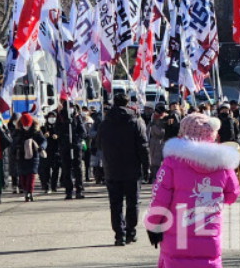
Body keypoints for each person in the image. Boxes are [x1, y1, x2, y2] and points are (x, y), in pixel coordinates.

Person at [144, 113, 240, 267]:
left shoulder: (172, 161)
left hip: (177, 235)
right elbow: (232, 195)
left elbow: (159, 199)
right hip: (208, 232)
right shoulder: (223, 163)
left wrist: (153, 224)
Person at [99, 93, 150, 246]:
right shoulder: (135, 121)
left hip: (112, 168)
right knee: (133, 202)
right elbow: (143, 146)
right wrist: (146, 166)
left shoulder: (105, 122)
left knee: (115, 204)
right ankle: (130, 232)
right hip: (132, 169)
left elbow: (98, 143)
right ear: (128, 104)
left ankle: (119, 234)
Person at [57, 101, 87, 200]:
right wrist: (65, 138)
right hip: (65, 147)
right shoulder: (60, 117)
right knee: (66, 169)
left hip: (75, 146)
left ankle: (79, 190)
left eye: (72, 107)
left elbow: (83, 132)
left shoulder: (77, 117)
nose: (71, 109)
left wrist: (75, 140)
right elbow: (57, 131)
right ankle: (68, 191)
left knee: (78, 169)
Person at [14, 113, 46, 202]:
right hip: (21, 156)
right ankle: (25, 190)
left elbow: (43, 140)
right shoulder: (18, 131)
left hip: (34, 155)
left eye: (28, 125)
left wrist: (41, 147)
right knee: (23, 175)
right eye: (25, 125)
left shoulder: (36, 131)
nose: (26, 126)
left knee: (31, 174)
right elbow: (13, 142)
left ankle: (29, 191)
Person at [40, 111, 61, 193]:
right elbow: (39, 138)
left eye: (54, 117)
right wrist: (44, 136)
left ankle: (54, 186)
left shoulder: (58, 127)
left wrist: (57, 137)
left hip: (56, 151)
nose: (52, 118)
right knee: (46, 170)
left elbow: (63, 137)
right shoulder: (43, 128)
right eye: (50, 117)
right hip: (46, 151)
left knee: (56, 170)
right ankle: (46, 186)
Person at [148, 104, 168, 184]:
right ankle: (153, 177)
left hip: (160, 142)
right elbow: (147, 131)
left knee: (158, 162)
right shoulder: (153, 119)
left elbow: (162, 132)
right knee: (152, 161)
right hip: (153, 142)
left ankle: (158, 178)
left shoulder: (165, 119)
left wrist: (154, 126)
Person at [6, 112, 22, 194]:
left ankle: (21, 186)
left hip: (21, 151)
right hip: (12, 151)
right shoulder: (9, 129)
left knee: (22, 169)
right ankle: (15, 186)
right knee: (13, 170)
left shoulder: (22, 129)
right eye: (15, 120)